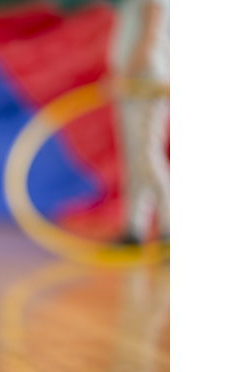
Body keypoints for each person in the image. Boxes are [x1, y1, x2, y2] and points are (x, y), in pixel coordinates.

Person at [108, 0, 170, 243]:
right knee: (134, 159)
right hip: (132, 85)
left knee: (146, 157)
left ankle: (171, 228)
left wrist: (123, 75)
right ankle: (134, 228)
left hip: (145, 82)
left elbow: (149, 39)